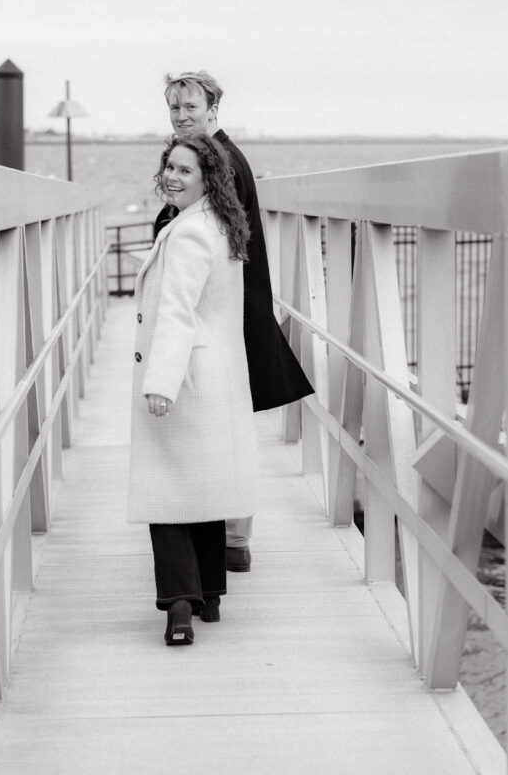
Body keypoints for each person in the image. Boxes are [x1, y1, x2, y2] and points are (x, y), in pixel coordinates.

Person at [154, 72, 314, 572]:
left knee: (223, 426)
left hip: (228, 309)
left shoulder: (219, 159)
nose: (181, 115)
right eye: (174, 107)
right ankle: (233, 537)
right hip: (231, 305)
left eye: (190, 106)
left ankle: (234, 539)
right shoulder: (214, 154)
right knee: (227, 424)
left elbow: (217, 234)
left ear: (213, 107)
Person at [128, 133, 257, 646]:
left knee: (166, 491)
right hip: (216, 370)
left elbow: (177, 312)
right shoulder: (219, 224)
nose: (174, 177)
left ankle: (179, 605)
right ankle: (211, 596)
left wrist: (159, 382)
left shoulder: (187, 234)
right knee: (202, 483)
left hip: (185, 373)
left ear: (207, 177)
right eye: (170, 168)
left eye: (185, 170)